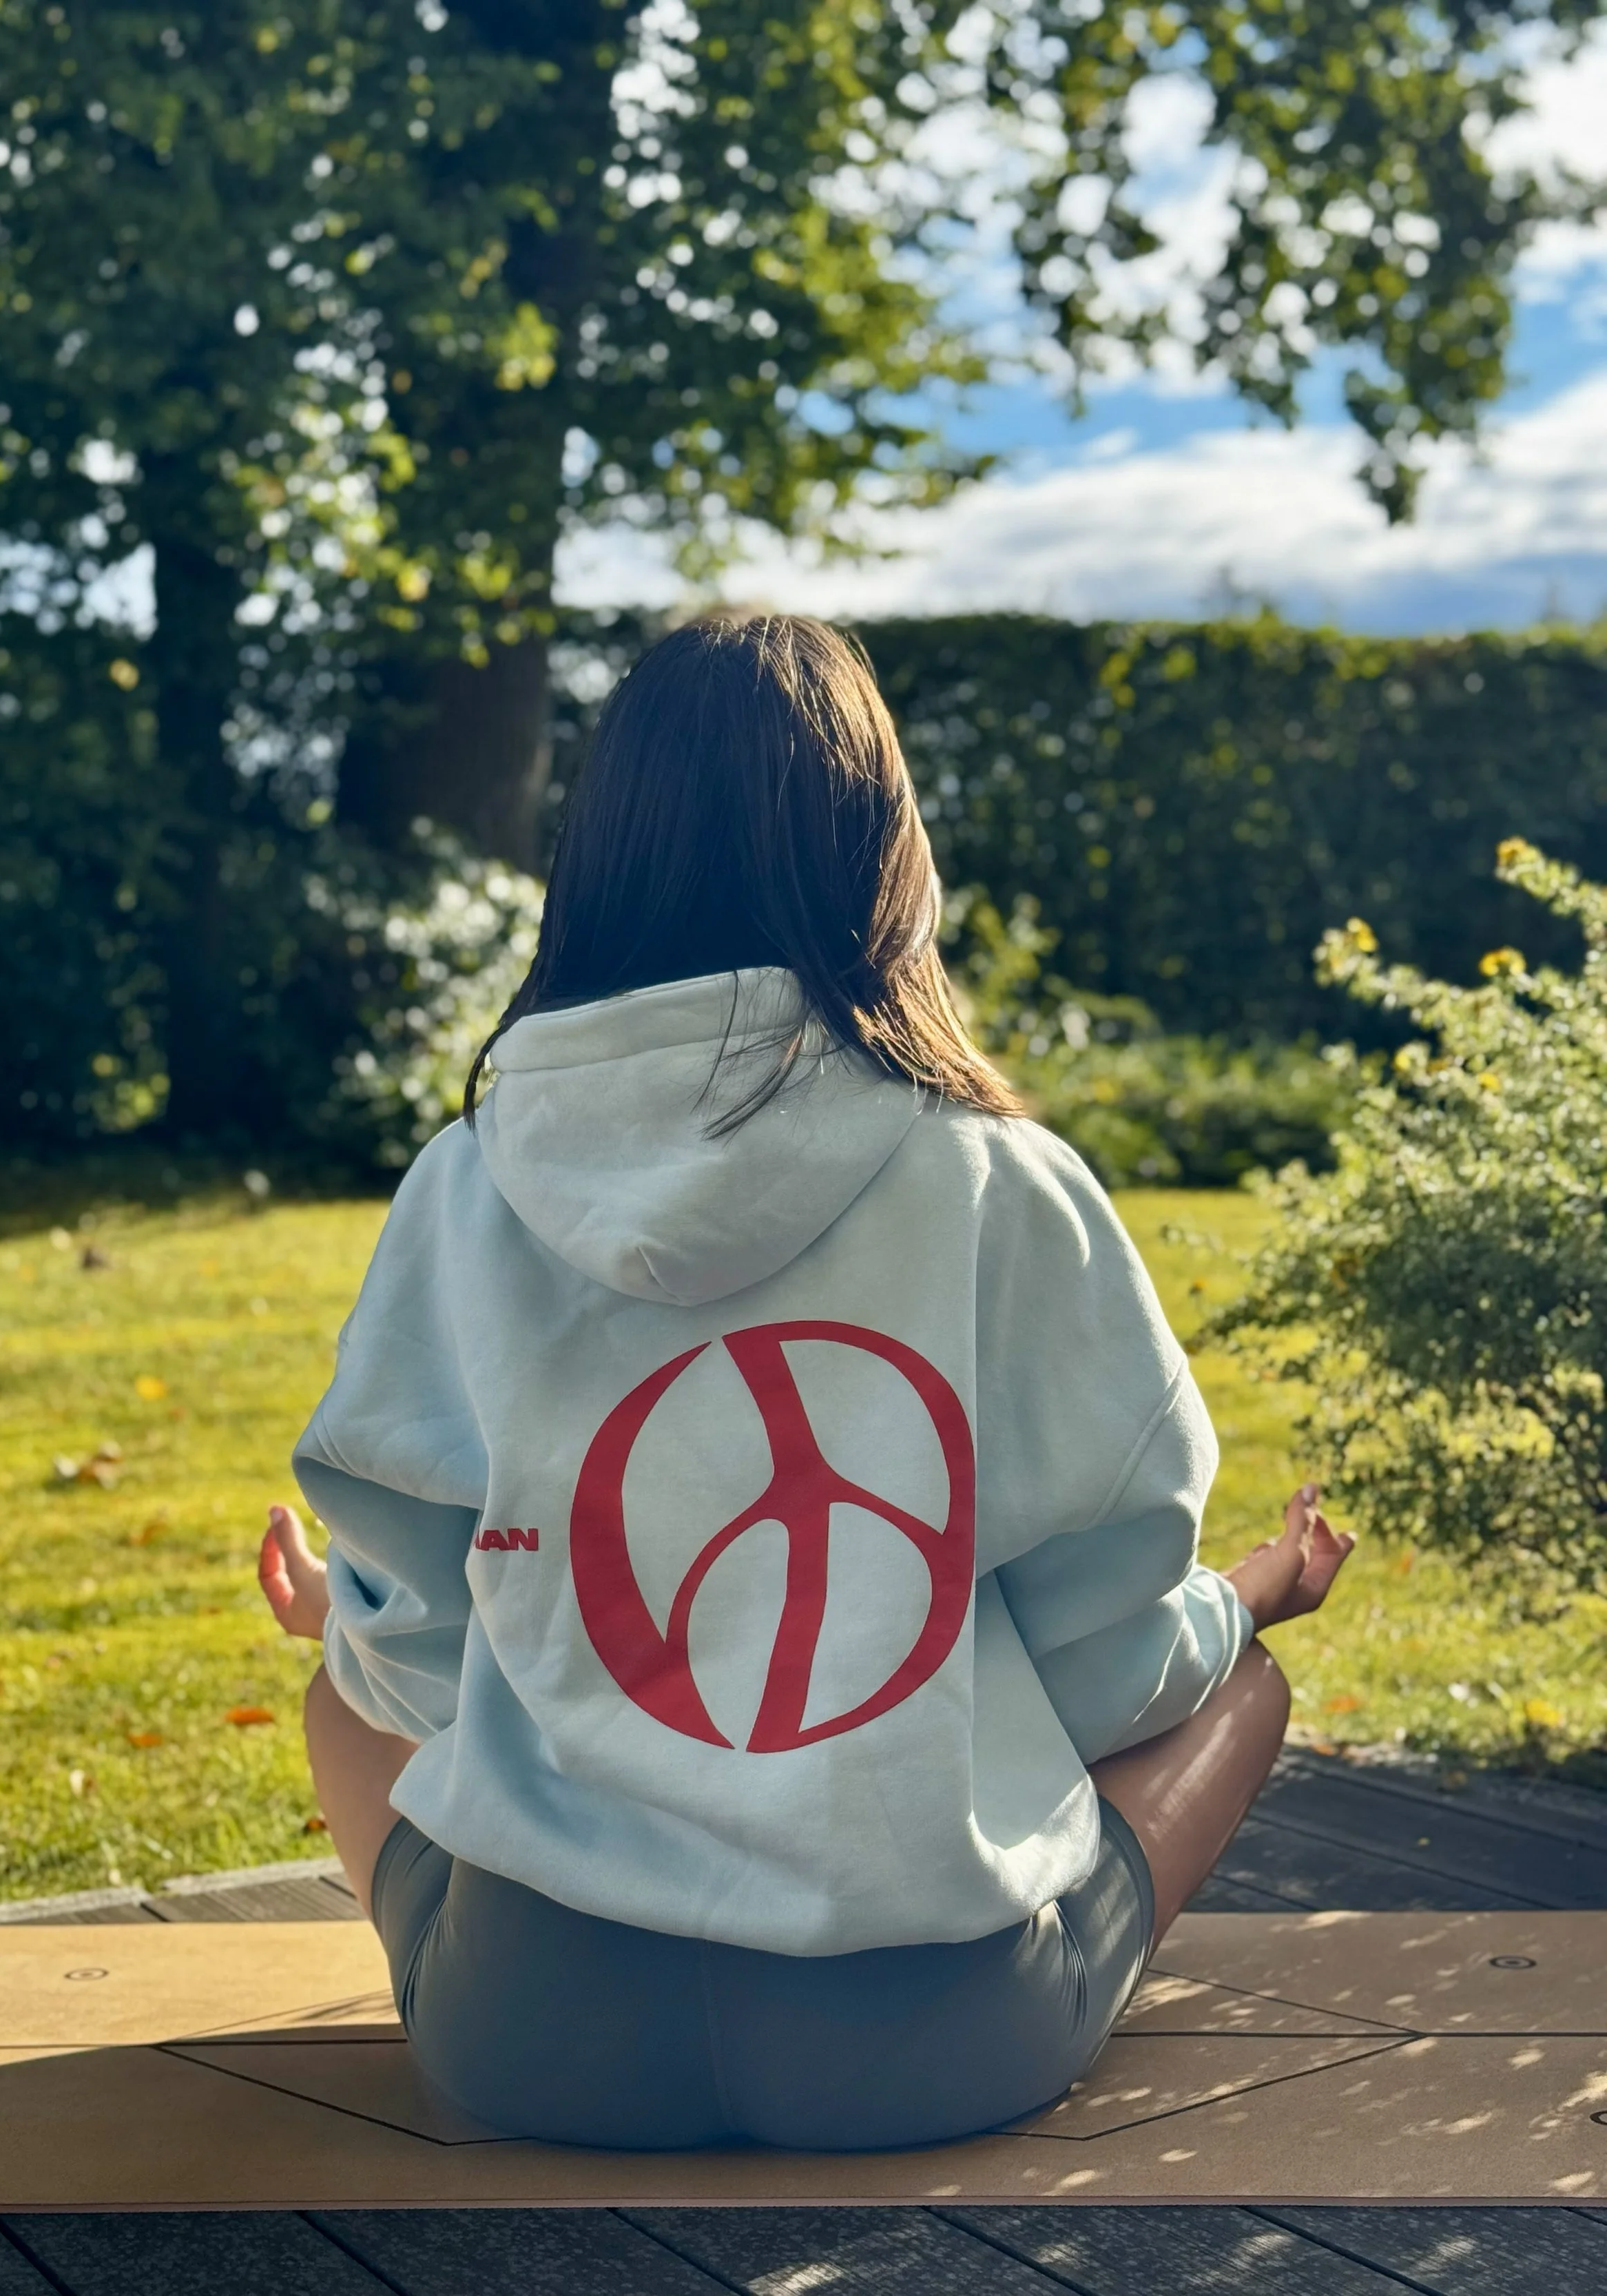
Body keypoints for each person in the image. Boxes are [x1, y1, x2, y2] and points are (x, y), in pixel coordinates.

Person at [257, 613, 1352, 2153]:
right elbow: (1103, 1671)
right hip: (925, 2045)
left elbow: (421, 1663)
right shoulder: (1002, 1186)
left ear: (599, 860)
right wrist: (1242, 1600)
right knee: (1239, 1679)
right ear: (881, 856)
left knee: (337, 1690)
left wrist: (348, 1629)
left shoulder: (461, 1187)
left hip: (533, 2040)